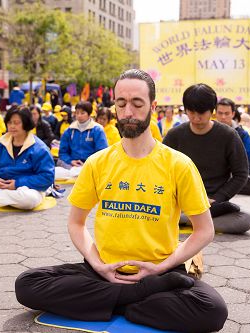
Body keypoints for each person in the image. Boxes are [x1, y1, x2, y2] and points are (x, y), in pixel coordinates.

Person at [15, 69, 228, 333]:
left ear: (153, 106)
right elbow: (76, 224)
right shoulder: (98, 163)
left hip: (160, 270)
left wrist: (159, 269)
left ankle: (110, 302)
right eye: (121, 103)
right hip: (104, 271)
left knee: (213, 310)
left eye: (137, 104)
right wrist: (98, 265)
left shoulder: (178, 164)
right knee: (27, 284)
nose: (128, 112)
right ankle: (136, 300)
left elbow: (204, 231)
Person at [164, 84, 250, 234]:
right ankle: (196, 222)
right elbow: (162, 167)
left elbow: (241, 174)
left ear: (212, 111)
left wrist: (218, 198)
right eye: (191, 112)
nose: (196, 118)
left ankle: (187, 221)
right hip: (181, 200)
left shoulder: (228, 135)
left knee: (245, 220)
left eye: (202, 113)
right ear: (185, 110)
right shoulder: (175, 135)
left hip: (212, 202)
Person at [216, 98, 250, 186]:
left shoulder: (241, 133)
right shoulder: (209, 130)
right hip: (213, 176)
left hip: (233, 175)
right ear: (215, 113)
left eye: (227, 113)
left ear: (233, 114)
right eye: (220, 113)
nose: (223, 117)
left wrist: (240, 174)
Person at [58, 101, 108, 169]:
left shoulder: (97, 130)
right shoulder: (69, 130)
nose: (79, 115)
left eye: (82, 113)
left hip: (92, 166)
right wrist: (70, 161)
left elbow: (102, 152)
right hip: (72, 166)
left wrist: (87, 164)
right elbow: (62, 152)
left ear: (89, 114)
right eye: (77, 113)